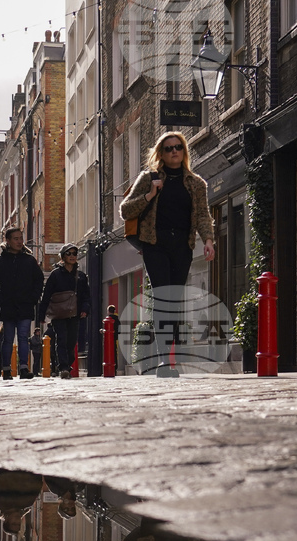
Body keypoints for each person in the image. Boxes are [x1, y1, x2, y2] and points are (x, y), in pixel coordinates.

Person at [119, 131, 215, 377]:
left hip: (182, 245)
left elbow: (203, 215)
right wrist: (149, 194)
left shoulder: (196, 184)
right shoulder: (148, 178)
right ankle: (164, 361)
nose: (174, 151)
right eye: (169, 148)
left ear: (184, 152)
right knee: (163, 298)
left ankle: (170, 356)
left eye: (178, 148)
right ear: (160, 154)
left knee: (175, 300)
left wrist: (208, 240)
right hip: (155, 244)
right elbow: (125, 210)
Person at [0, 227, 44, 380]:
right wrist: (1, 300)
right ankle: (6, 369)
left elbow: (39, 280)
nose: (19, 241)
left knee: (24, 336)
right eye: (16, 238)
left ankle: (24, 368)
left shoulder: (29, 260)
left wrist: (33, 298)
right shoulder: (0, 261)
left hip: (25, 305)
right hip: (8, 306)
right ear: (8, 241)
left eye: (21, 238)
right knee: (8, 337)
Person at [38, 244, 91, 379]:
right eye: (69, 254)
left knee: (72, 341)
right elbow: (46, 295)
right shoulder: (55, 275)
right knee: (61, 339)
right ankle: (63, 367)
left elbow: (86, 295)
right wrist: (41, 314)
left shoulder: (81, 276)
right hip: (59, 313)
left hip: (75, 313)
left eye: (74, 253)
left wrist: (85, 309)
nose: (72, 256)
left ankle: (67, 363)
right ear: (62, 257)